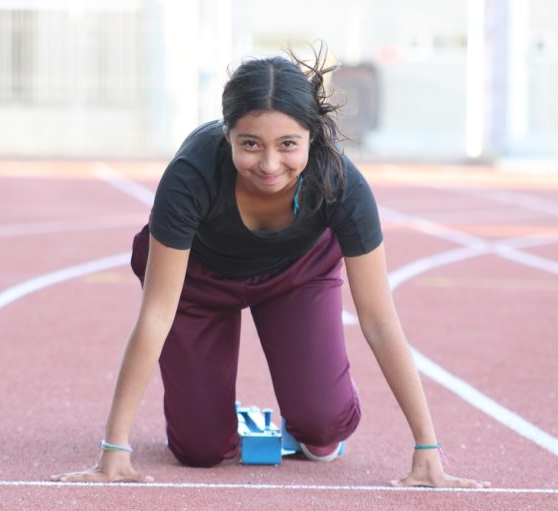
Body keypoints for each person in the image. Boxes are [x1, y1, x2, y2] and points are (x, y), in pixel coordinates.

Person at [52, 43, 489, 489]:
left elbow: (378, 320)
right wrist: (114, 447)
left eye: (287, 145)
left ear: (312, 137)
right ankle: (214, 414)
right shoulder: (190, 175)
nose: (268, 164)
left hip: (296, 274)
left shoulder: (342, 184)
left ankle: (317, 412)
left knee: (323, 425)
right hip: (198, 281)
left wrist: (427, 447)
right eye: (250, 144)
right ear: (227, 135)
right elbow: (157, 313)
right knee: (200, 450)